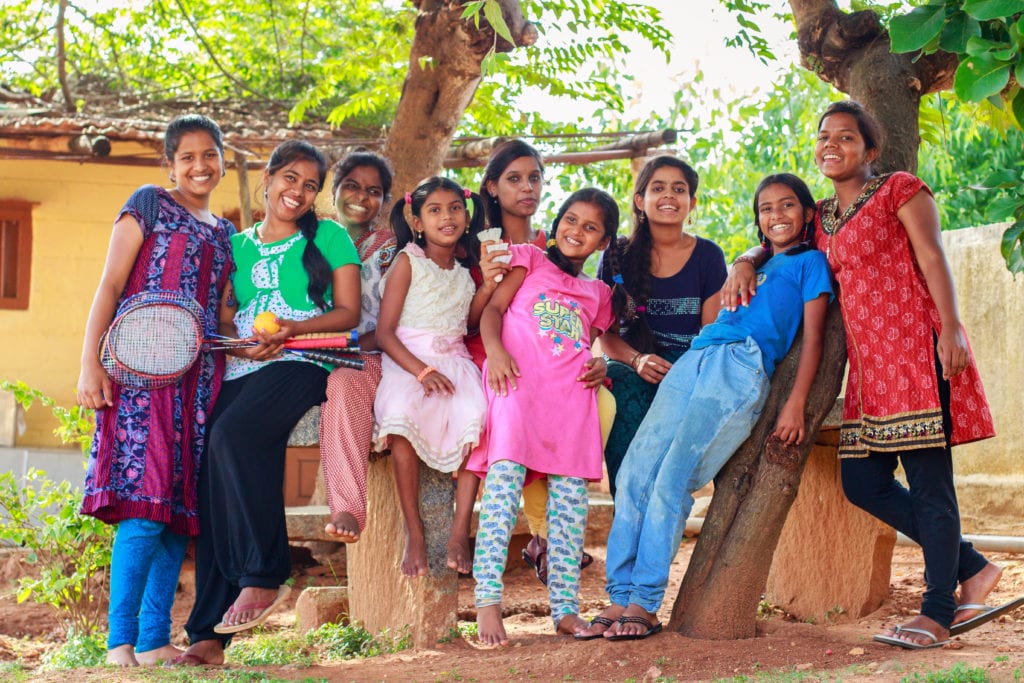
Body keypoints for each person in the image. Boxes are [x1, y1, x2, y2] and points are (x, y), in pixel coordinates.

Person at [722, 101, 1000, 650]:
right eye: (823, 136)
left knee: (930, 487)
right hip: (870, 372)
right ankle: (972, 565)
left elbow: (933, 256)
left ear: (869, 151)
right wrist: (744, 262)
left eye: (845, 137)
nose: (831, 145)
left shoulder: (900, 188)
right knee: (863, 484)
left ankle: (938, 610)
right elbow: (777, 236)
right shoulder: (821, 217)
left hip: (918, 354)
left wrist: (951, 327)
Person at [578, 173, 833, 641]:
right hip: (696, 357)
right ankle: (618, 597)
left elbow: (814, 339)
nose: (776, 216)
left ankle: (645, 602)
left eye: (788, 206)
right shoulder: (754, 264)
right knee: (635, 470)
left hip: (738, 367)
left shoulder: (812, 263)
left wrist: (795, 403)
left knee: (674, 477)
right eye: (766, 208)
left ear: (808, 214)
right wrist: (746, 259)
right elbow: (749, 262)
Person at [175, 140, 361, 666]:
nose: (297, 192)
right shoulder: (236, 244)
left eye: (309, 185)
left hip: (306, 360)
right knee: (213, 470)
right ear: (269, 179)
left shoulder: (330, 236)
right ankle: (207, 636)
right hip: (245, 360)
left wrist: (292, 330)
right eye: (290, 179)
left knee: (235, 436)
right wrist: (242, 337)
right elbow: (229, 315)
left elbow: (348, 312)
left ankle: (263, 573)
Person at [77, 114, 235, 666]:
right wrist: (88, 363)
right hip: (139, 377)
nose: (199, 165)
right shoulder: (147, 202)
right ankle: (118, 642)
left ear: (223, 159)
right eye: (187, 156)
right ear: (169, 163)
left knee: (176, 513)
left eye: (209, 154)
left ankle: (151, 641)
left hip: (197, 384)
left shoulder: (225, 232)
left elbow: (224, 315)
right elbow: (110, 284)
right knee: (144, 508)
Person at [448, 139, 607, 583]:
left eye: (535, 177)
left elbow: (576, 326)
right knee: (495, 410)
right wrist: (488, 288)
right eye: (514, 179)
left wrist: (597, 362)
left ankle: (549, 536)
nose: (527, 187)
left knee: (589, 407)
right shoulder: (475, 243)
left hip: (541, 358)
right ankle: (511, 533)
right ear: (492, 188)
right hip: (484, 347)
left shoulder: (549, 245)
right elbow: (474, 320)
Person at [466, 188, 618, 646]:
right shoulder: (529, 259)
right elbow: (492, 311)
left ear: (603, 242)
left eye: (590, 227)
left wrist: (601, 364)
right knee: (502, 493)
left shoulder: (599, 292)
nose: (577, 231)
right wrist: (494, 352)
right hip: (516, 388)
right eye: (571, 220)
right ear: (556, 225)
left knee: (571, 508)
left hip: (572, 403)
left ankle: (566, 609)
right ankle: (487, 601)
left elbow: (587, 346)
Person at [373, 176, 491, 578]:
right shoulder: (408, 261)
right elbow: (385, 333)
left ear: (467, 214)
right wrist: (421, 371)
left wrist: (490, 285)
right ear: (417, 221)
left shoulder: (464, 270)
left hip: (455, 360)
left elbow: (469, 323)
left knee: (477, 416)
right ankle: (415, 531)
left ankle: (461, 530)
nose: (448, 217)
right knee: (402, 416)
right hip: (410, 359)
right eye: (436, 210)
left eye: (455, 208)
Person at [596, 156, 727, 497]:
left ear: (691, 203)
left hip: (688, 368)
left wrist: (684, 373)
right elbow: (607, 336)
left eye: (678, 189)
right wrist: (638, 360)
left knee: (669, 476)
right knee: (619, 387)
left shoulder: (708, 256)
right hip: (633, 364)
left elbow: (711, 335)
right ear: (640, 201)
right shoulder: (617, 255)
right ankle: (624, 506)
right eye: (658, 188)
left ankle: (662, 528)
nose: (669, 195)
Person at [318, 150, 397, 542]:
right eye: (351, 186)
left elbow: (393, 319)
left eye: (374, 191)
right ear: (333, 191)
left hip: (371, 354)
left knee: (347, 383)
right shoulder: (312, 241)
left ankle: (348, 506)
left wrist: (345, 347)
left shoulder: (390, 248)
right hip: (309, 354)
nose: (361, 198)